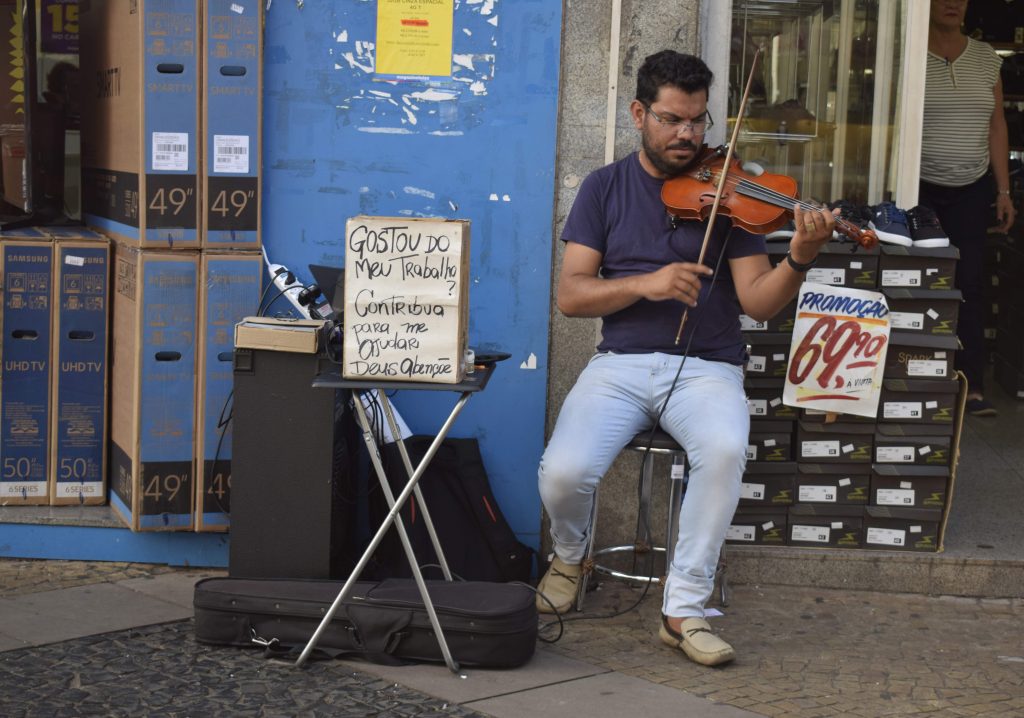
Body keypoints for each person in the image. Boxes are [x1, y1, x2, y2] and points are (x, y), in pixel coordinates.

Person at [536, 50, 834, 667]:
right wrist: (645, 284)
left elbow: (759, 303)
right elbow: (571, 295)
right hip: (620, 364)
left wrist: (799, 258)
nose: (687, 135)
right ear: (639, 113)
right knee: (562, 473)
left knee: (724, 452)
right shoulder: (605, 187)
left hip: (707, 366)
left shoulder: (731, 193)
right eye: (673, 119)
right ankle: (571, 555)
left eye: (698, 121)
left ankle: (684, 608)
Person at [920, 0, 1017, 417]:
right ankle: (919, 380)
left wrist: (1004, 190)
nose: (951, 3)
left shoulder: (986, 58)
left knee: (969, 286)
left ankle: (971, 385)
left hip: (972, 188)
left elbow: (997, 124)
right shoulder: (911, 57)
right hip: (919, 185)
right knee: (920, 282)